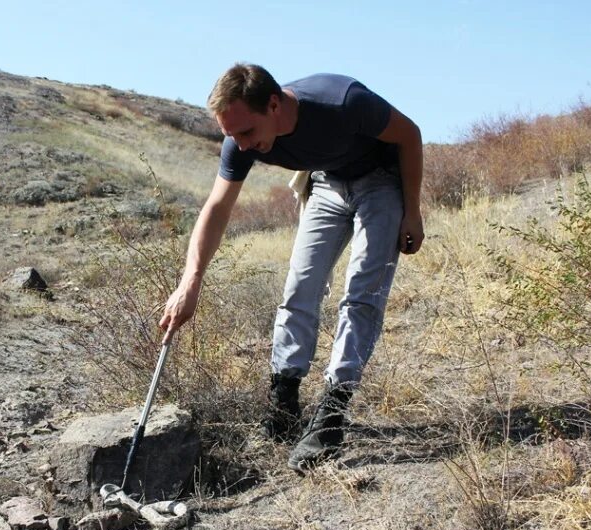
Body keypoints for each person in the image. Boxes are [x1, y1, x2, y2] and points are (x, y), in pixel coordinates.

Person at [159, 63, 424, 473]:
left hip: (382, 182)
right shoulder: (241, 140)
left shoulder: (343, 103)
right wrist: (190, 281)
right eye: (231, 135)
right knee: (300, 287)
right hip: (327, 184)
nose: (241, 146)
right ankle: (284, 402)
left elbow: (410, 135)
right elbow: (217, 207)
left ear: (273, 104)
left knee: (361, 294)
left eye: (246, 132)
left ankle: (332, 414)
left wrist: (413, 212)